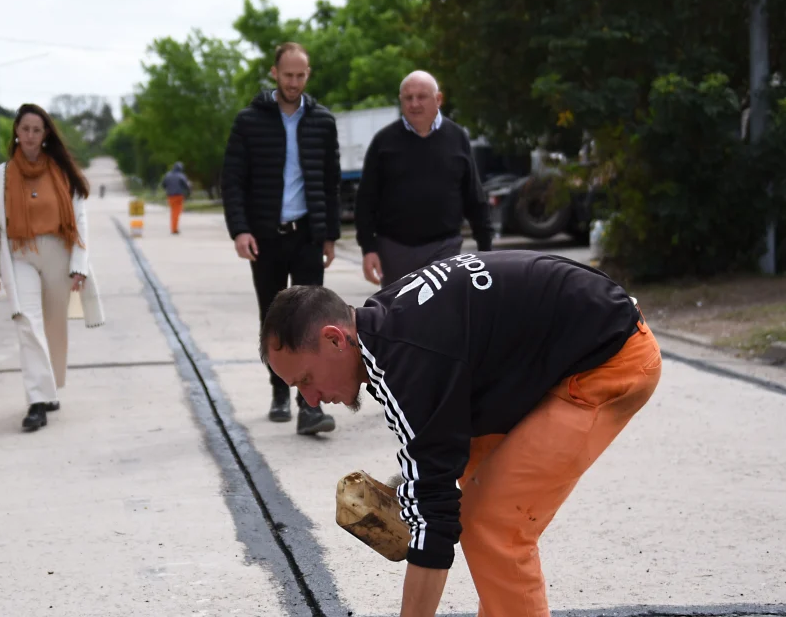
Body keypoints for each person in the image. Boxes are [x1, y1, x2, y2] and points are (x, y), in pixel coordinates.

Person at [260, 250, 662, 617]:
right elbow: (435, 450)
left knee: (492, 523)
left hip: (609, 358)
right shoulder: (383, 328)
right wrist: (417, 492)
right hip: (561, 348)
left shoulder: (409, 363)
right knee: (469, 497)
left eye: (307, 380)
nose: (310, 401)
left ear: (335, 338)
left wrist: (424, 502)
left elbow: (435, 522)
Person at [221, 41, 341, 435]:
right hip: (265, 238)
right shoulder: (249, 121)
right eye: (287, 75)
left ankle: (310, 406)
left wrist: (329, 235)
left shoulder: (322, 121)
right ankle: (278, 389)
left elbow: (330, 181)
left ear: (308, 75)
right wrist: (240, 230)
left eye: (300, 75)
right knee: (273, 320)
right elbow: (233, 181)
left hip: (306, 235)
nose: (293, 82)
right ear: (274, 73)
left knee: (312, 321)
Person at [0, 103, 104, 432]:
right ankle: (37, 400)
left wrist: (79, 263)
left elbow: (80, 220)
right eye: (25, 130)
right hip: (19, 254)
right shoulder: (1, 175)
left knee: (53, 327)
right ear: (17, 134)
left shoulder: (63, 173)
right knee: (26, 321)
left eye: (37, 130)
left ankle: (50, 388)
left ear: (46, 133)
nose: (31, 136)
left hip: (58, 253)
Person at [355, 71, 494, 287]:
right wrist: (368, 249)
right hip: (394, 251)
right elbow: (365, 200)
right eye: (408, 98)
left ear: (438, 99)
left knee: (444, 314)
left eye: (422, 97)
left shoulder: (457, 138)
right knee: (401, 317)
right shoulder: (384, 141)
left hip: (444, 247)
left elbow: (474, 197)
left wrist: (485, 249)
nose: (414, 104)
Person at [161, 161, 191, 234]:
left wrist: (168, 189)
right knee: (176, 212)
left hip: (170, 196)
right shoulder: (181, 175)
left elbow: (163, 185)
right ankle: (174, 229)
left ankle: (174, 228)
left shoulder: (167, 175)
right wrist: (188, 193)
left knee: (173, 212)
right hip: (179, 196)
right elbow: (186, 186)